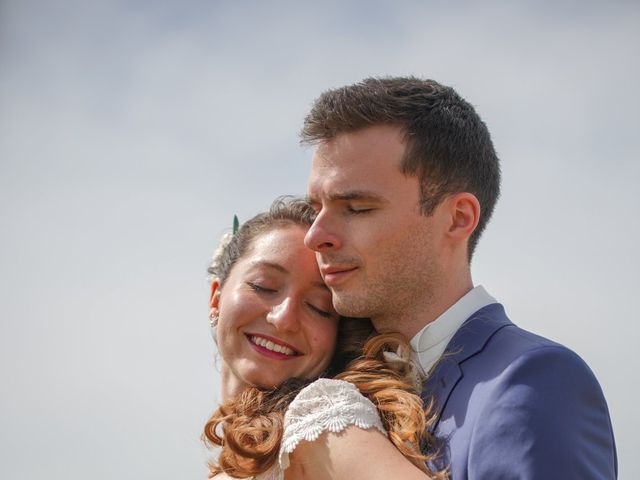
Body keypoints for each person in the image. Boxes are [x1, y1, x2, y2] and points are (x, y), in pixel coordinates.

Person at [301, 76, 617, 479]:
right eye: (316, 208)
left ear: (458, 218)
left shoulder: (533, 383)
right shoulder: (334, 386)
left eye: (357, 208)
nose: (316, 236)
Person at [202, 197, 447, 480]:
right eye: (263, 286)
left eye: (318, 307)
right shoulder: (245, 454)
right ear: (216, 299)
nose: (284, 319)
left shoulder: (323, 418)